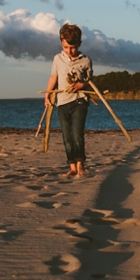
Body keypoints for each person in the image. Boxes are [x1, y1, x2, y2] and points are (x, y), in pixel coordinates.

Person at [45, 24, 93, 178]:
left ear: (79, 44)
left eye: (72, 48)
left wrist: (82, 84)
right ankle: (72, 167)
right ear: (61, 43)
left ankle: (80, 165)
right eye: (65, 47)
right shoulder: (57, 59)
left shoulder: (85, 60)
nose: (69, 51)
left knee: (77, 134)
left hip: (79, 100)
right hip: (62, 102)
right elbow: (54, 77)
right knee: (67, 136)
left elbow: (90, 80)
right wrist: (47, 95)